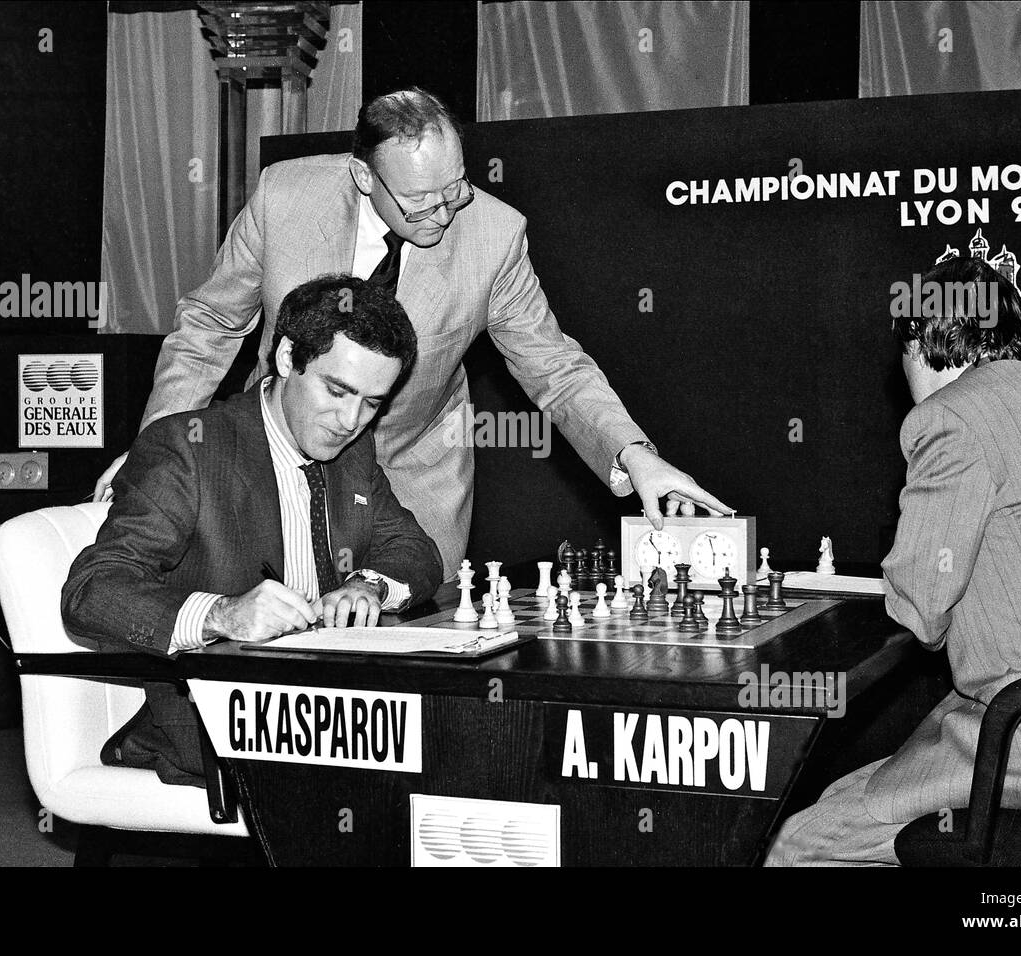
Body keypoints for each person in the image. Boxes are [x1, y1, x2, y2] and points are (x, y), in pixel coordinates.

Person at [93, 88, 730, 575]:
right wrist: (159, 450)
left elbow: (554, 367)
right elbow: (208, 325)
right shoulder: (284, 197)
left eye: (454, 189)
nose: (444, 212)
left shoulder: (494, 234)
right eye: (420, 201)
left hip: (413, 482)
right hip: (270, 463)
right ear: (365, 178)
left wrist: (634, 455)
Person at [767, 257, 1021, 865]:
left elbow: (919, 609)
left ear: (920, 340)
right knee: (857, 791)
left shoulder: (951, 417)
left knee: (798, 843)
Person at [62, 276, 444, 787]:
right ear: (287, 357)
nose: (350, 419)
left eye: (373, 403)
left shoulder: (353, 453)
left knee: (463, 737)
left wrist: (367, 585)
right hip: (222, 715)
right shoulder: (189, 448)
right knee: (419, 760)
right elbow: (92, 590)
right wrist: (223, 613)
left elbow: (414, 549)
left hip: (335, 707)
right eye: (336, 390)